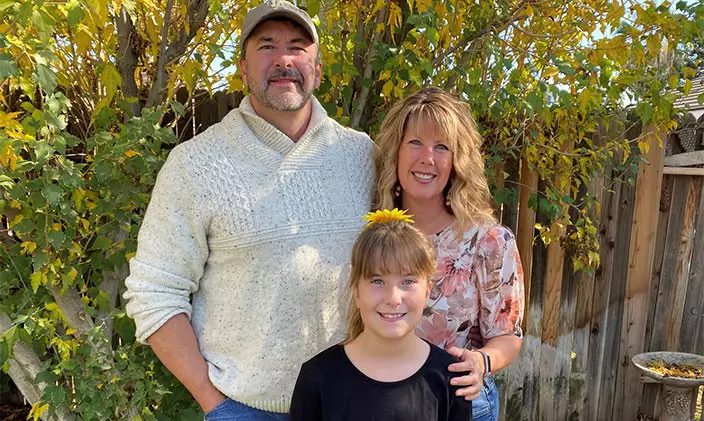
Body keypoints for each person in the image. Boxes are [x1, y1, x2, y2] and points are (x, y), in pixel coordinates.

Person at [122, 0, 374, 419]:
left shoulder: (361, 156)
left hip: (357, 403)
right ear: (242, 69)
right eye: (267, 46)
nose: (284, 60)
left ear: (318, 67)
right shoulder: (195, 165)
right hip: (245, 409)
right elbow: (154, 293)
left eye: (297, 46)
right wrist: (215, 404)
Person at [373, 87, 525, 421]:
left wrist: (482, 361)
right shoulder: (373, 233)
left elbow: (507, 337)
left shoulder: (488, 241)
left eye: (442, 146)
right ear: (395, 150)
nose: (427, 157)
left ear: (457, 161)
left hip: (458, 402)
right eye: (415, 142)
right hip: (378, 399)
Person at [289, 209, 473, 421]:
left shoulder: (451, 378)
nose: (393, 298)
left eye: (408, 281)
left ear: (427, 292)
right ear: (356, 292)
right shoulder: (317, 377)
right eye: (377, 281)